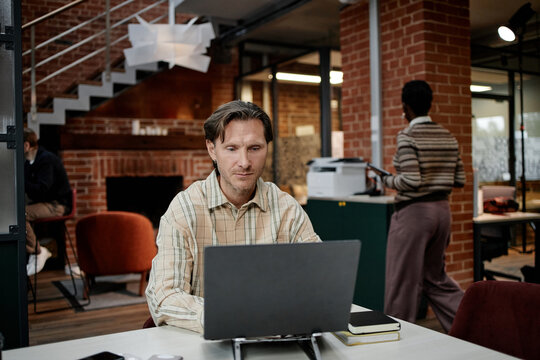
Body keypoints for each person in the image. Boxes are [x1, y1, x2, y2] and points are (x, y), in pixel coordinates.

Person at [146, 100, 321, 333]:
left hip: (275, 337)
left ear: (267, 148)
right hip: (204, 342)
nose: (245, 162)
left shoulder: (286, 208)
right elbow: (165, 297)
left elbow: (320, 281)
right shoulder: (184, 210)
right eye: (231, 148)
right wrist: (229, 317)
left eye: (255, 148)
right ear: (212, 149)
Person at [371, 80, 465, 332]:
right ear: (429, 103)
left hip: (414, 215)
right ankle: (470, 322)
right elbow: (459, 179)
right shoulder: (448, 136)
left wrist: (385, 178)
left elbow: (411, 180)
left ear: (405, 107)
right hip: (442, 212)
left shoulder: (408, 136)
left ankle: (396, 339)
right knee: (435, 278)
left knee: (402, 282)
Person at [24, 128, 72, 276]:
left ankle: (38, 251)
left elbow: (42, 189)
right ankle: (33, 253)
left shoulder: (46, 159)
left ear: (26, 145)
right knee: (18, 211)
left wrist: (21, 182)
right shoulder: (29, 162)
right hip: (47, 202)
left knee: (22, 213)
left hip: (58, 204)